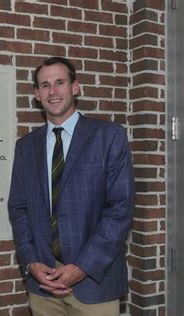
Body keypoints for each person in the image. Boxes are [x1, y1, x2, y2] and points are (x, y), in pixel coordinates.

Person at [8, 56, 134, 316]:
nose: (53, 91)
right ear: (36, 95)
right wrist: (31, 262)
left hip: (94, 282)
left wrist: (82, 267)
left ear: (75, 87)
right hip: (43, 284)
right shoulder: (26, 146)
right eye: (45, 85)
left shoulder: (109, 136)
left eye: (59, 82)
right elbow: (18, 208)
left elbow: (120, 209)